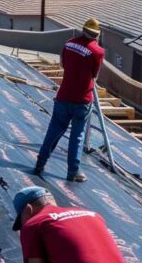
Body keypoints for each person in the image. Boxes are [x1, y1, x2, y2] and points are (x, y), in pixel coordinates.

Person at [33, 18, 105, 183]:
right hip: (82, 100)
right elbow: (94, 75)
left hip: (64, 96)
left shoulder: (69, 43)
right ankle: (73, 172)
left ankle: (40, 163)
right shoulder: (98, 52)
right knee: (77, 136)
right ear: (97, 35)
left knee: (53, 132)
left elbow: (64, 65)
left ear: (82, 30)